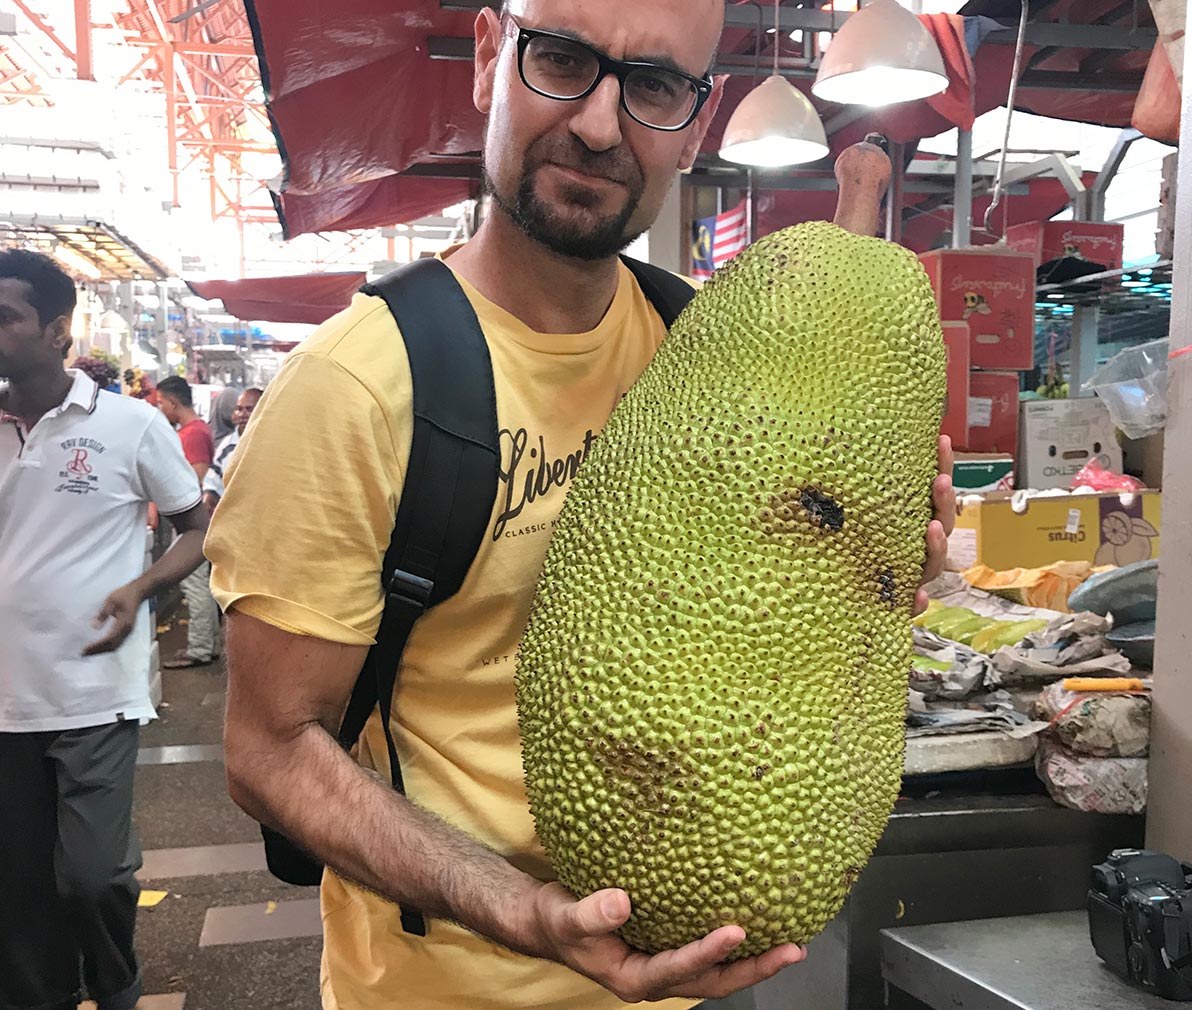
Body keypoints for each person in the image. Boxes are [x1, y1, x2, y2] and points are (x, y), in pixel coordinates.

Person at [206, 2, 957, 1007]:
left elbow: (775, 631)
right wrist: (519, 906)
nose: (601, 125)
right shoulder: (358, 386)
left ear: (696, 122)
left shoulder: (704, 343)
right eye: (561, 59)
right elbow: (268, 748)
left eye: (652, 86)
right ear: (488, 59)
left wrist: (868, 564)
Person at [0, 248, 210, 1010]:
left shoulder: (127, 426)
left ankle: (116, 984)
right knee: (17, 886)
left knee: (92, 877)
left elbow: (197, 529)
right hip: (4, 702)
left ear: (59, 330)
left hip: (95, 694)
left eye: (7, 317)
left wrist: (142, 589)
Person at [156, 374, 220, 668]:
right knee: (197, 583)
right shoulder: (195, 430)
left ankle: (200, 648)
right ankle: (207, 644)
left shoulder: (193, 433)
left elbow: (196, 479)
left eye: (160, 403)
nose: (160, 409)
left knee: (194, 584)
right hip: (190, 520)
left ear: (173, 402)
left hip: (191, 523)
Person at [201, 386, 263, 512]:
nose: (243, 415)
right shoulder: (227, 447)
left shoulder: (272, 444)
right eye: (239, 409)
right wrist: (208, 498)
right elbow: (213, 482)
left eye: (249, 409)